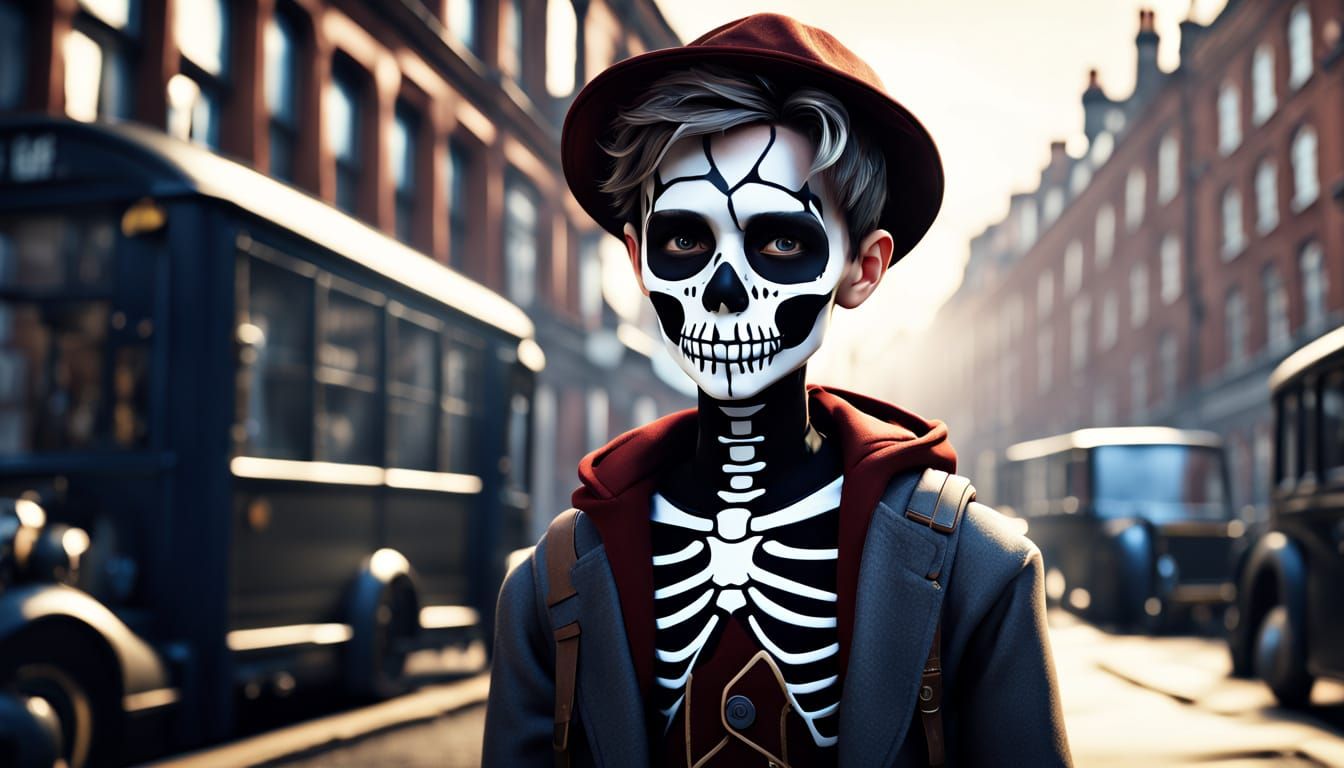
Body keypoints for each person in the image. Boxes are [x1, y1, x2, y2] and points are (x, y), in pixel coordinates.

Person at [484, 13, 1071, 767]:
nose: (724, 288)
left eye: (781, 240)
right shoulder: (547, 590)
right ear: (639, 261)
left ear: (862, 267)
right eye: (684, 240)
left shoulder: (978, 577)